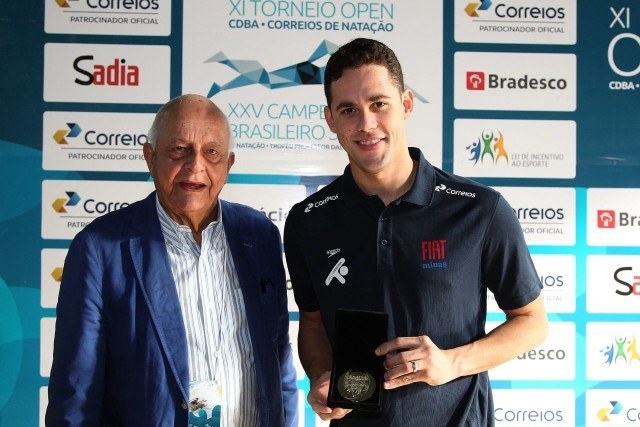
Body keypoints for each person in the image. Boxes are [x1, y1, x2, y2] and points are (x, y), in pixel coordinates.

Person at [283, 38, 548, 426]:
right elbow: (314, 323)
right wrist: (322, 377)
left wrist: (452, 362)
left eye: (379, 104)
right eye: (348, 110)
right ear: (331, 119)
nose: (366, 124)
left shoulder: (479, 209)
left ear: (406, 104)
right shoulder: (308, 220)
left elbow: (532, 322)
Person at [46, 94, 298, 427]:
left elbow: (278, 360)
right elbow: (76, 394)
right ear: (150, 158)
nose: (196, 166)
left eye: (212, 152)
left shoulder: (259, 235)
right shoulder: (100, 249)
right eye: (179, 149)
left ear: (228, 165)